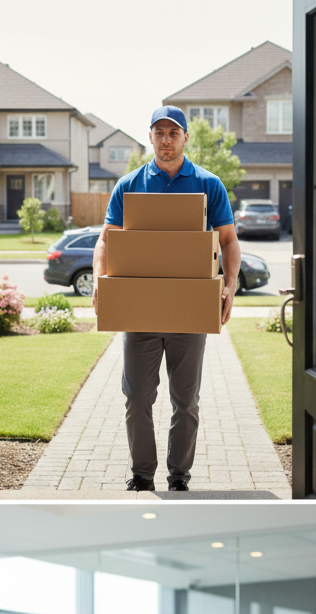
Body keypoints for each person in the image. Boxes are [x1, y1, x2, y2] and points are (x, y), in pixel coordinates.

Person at [92, 105, 241, 492]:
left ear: (185, 137)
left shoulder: (208, 184)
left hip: (189, 312)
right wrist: (99, 281)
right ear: (151, 137)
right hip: (139, 312)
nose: (166, 139)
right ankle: (142, 475)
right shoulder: (129, 185)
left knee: (185, 401)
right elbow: (106, 240)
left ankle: (179, 477)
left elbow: (227, 240)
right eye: (159, 132)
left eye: (174, 133)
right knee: (137, 398)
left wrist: (230, 285)